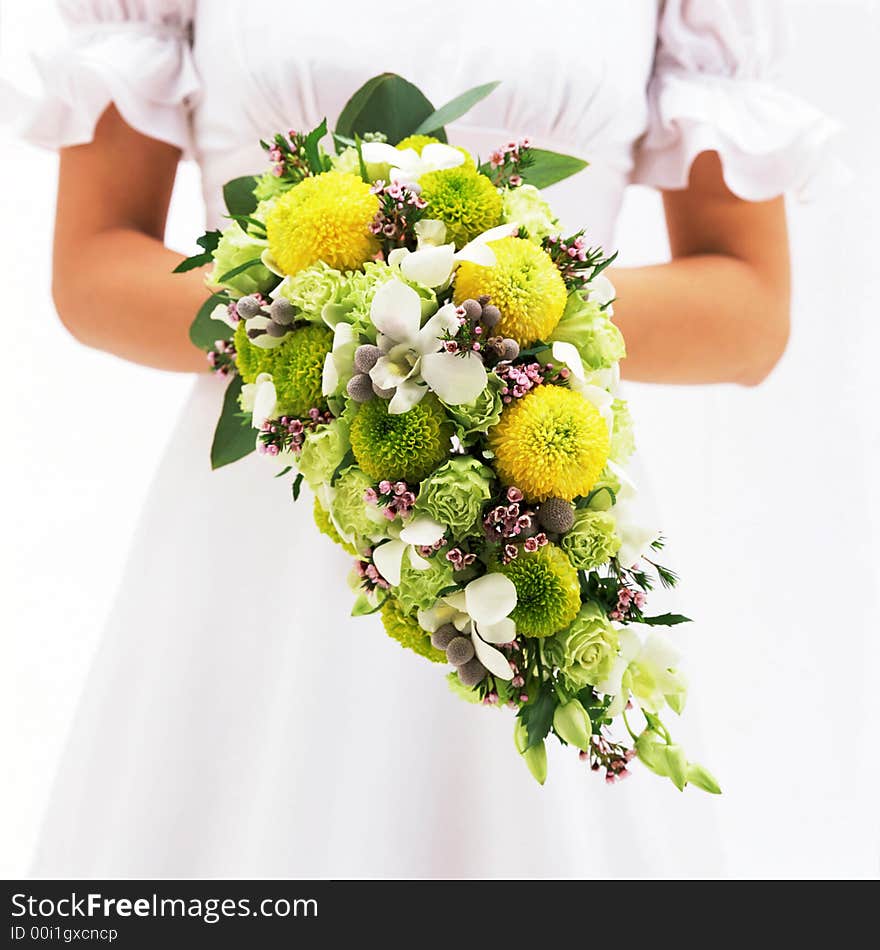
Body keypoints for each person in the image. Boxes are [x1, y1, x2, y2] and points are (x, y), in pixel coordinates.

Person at [21, 0, 838, 877]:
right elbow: (95, 265)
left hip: (534, 506)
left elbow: (749, 310)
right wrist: (332, 327)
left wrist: (488, 315)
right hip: (266, 522)